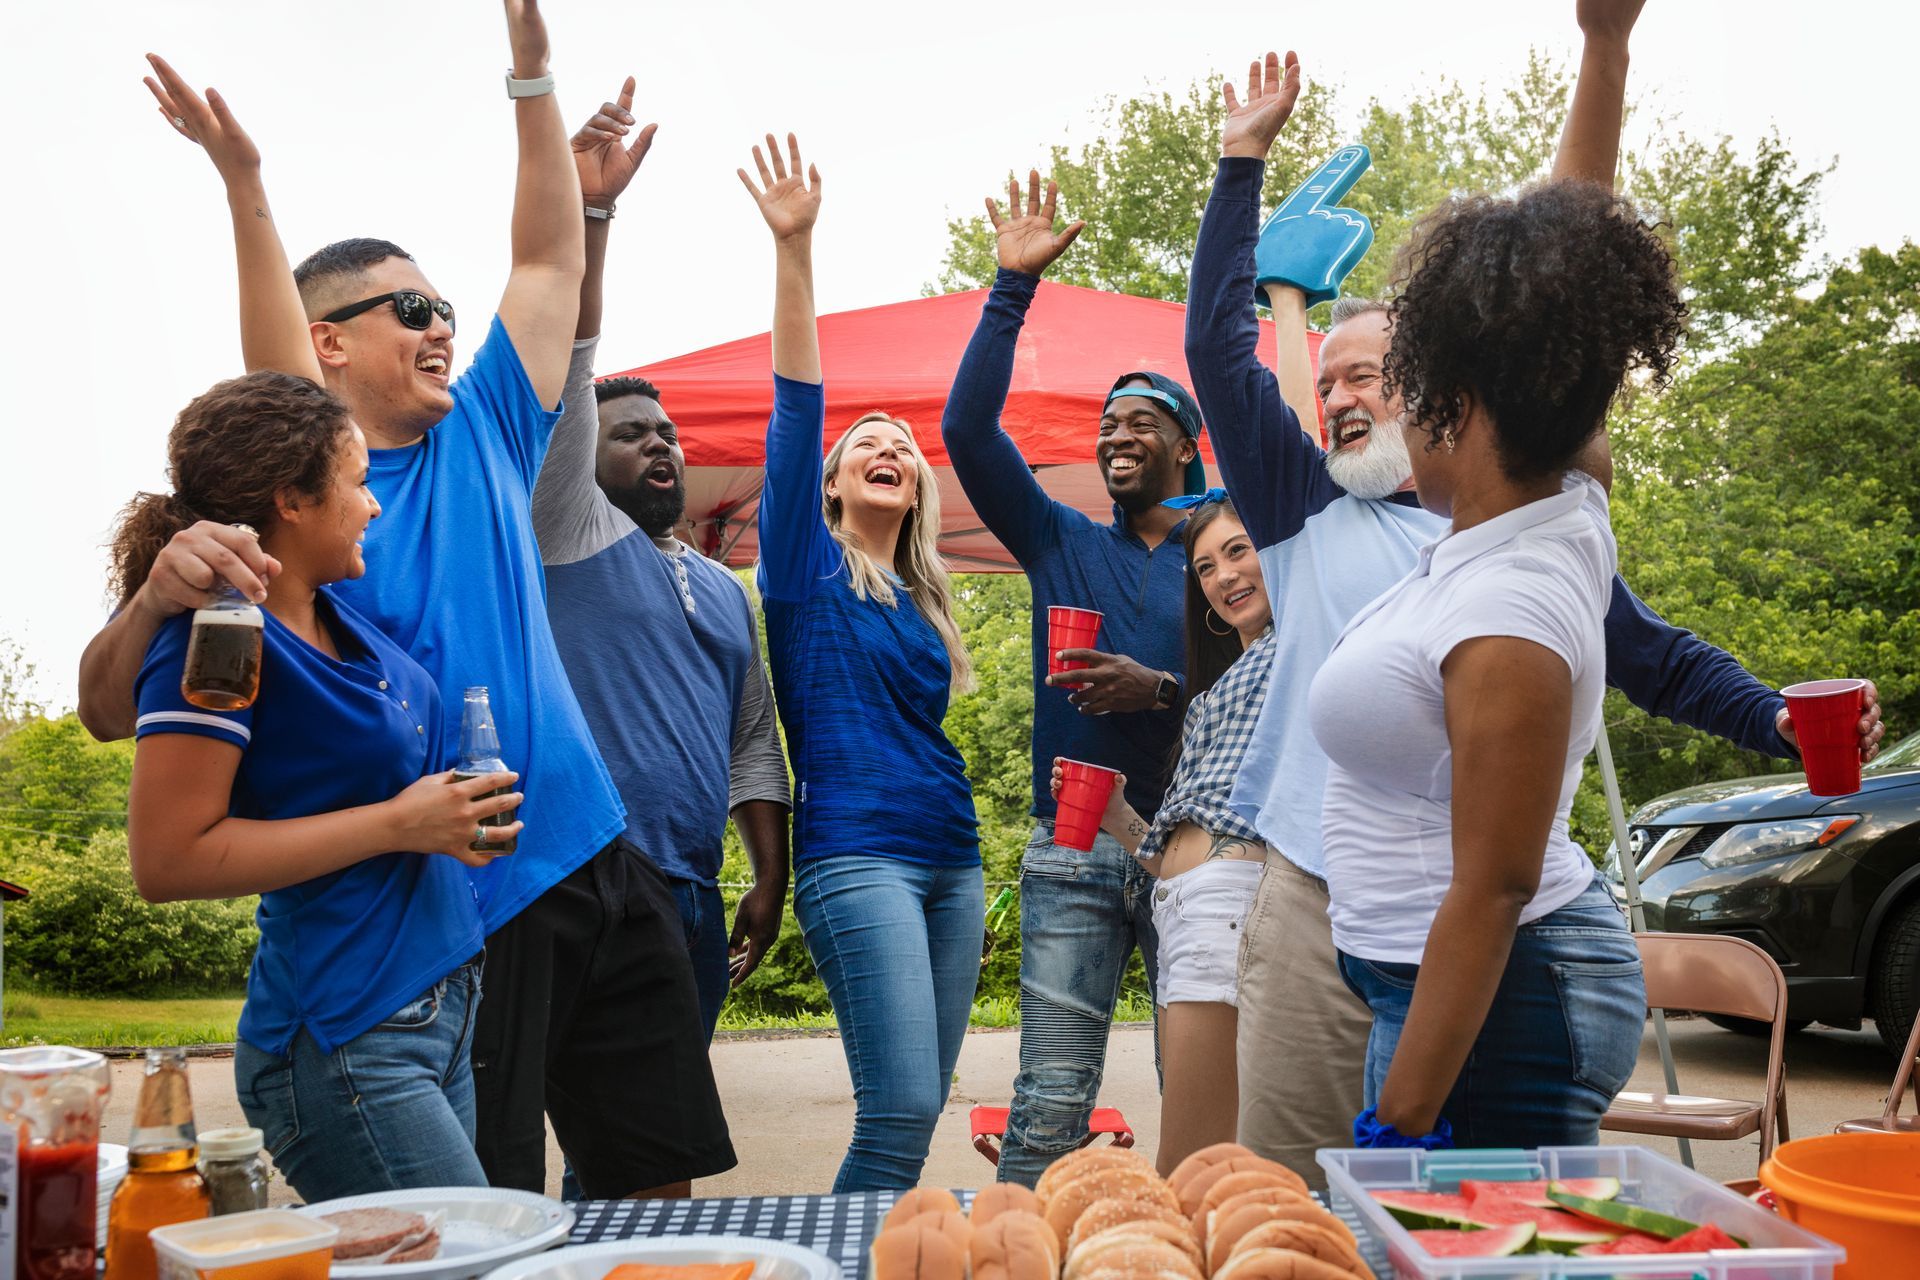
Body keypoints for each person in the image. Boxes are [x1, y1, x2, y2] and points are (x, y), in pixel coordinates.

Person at [1185, 14, 1885, 1179]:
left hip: (1481, 963)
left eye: (1389, 375)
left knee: (1432, 1224)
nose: (1361, 394)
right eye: (1343, 376)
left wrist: (1395, 1125)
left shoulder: (1517, 566)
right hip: (1354, 928)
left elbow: (1503, 872)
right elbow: (1564, 280)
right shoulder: (1424, 521)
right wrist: (1604, 50)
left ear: (1459, 400)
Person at [87, 3, 734, 1198]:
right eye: (414, 310)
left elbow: (545, 264)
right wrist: (243, 181)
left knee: (654, 1188)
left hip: (594, 850)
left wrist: (532, 83)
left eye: (446, 307)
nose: (447, 325)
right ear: (329, 347)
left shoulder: (486, 427)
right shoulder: (308, 494)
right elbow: (272, 358)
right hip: (457, 891)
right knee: (483, 1218)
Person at [121, 371, 519, 1200]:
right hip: (346, 1036)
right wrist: (399, 824)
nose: (373, 506)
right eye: (359, 481)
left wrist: (446, 824)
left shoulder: (343, 620)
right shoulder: (223, 635)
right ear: (293, 501)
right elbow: (168, 860)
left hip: (436, 1012)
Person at [941, 173, 1209, 1188]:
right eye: (1106, 425)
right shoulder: (1057, 540)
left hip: (1198, 849)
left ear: (1186, 445)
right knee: (1049, 1103)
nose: (1114, 436)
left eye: (1139, 422)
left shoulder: (1223, 554)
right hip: (1076, 844)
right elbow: (969, 433)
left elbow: (1262, 687)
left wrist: (1159, 688)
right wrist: (1010, 286)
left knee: (1200, 1095)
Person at [742, 131, 984, 1192]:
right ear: (831, 488)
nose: (887, 449)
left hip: (953, 854)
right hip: (859, 858)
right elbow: (797, 412)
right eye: (864, 446)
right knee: (892, 1114)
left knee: (922, 1109)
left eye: (904, 446)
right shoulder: (803, 572)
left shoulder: (928, 600)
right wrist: (796, 250)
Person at [534, 82, 791, 1041]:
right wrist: (592, 212)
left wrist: (769, 875)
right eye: (629, 433)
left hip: (689, 893)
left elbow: (753, 743)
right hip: (576, 877)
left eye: (667, 433)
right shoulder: (570, 533)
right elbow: (567, 358)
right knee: (526, 1147)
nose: (659, 445)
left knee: (655, 1162)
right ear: (582, 461)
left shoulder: (728, 589)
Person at [1045, 493, 1278, 1175]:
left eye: (1240, 551)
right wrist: (1117, 811)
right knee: (1212, 1155)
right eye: (1205, 567)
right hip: (1180, 913)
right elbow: (1173, 857)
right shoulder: (1214, 694)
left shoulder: (1299, 650)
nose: (1226, 575)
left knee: (1190, 1163)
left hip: (1231, 909)